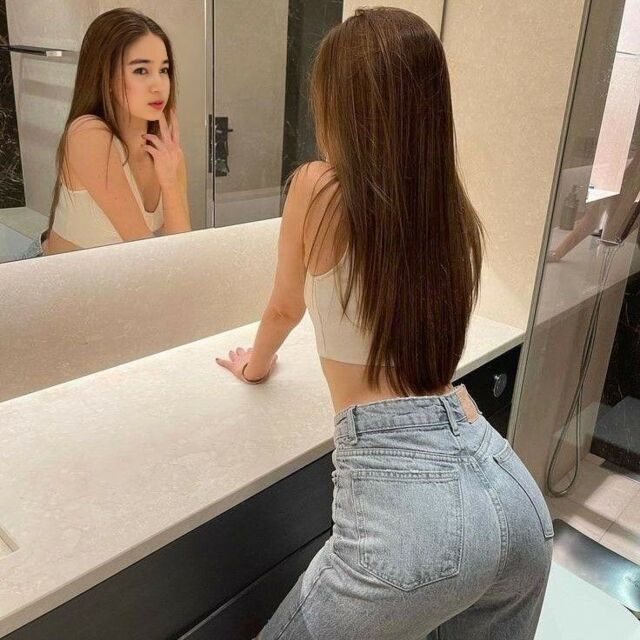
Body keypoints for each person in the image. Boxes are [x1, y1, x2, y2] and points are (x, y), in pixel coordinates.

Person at [216, 8, 553, 639]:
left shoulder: (317, 189)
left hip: (412, 508)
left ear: (338, 107)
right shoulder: (448, 212)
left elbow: (285, 306)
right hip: (505, 487)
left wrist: (254, 365)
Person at [43, 8, 190, 256]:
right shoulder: (88, 134)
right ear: (107, 76)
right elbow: (143, 250)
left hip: (119, 275)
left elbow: (183, 250)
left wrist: (169, 182)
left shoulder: (167, 152)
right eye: (141, 70)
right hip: (52, 277)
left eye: (164, 70)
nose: (158, 85)